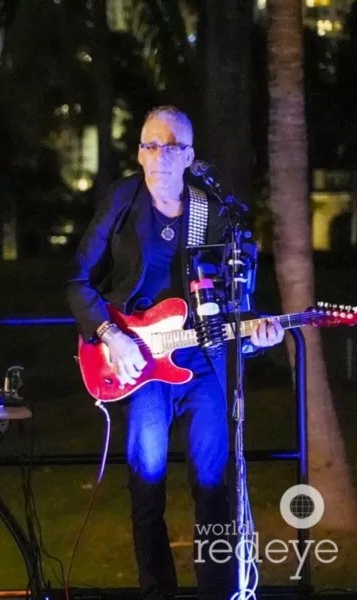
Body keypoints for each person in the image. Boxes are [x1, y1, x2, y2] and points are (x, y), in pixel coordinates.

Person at [65, 106, 284, 600]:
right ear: (139, 153)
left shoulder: (214, 211)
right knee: (146, 487)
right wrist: (110, 333)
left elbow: (234, 304)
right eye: (150, 144)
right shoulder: (122, 200)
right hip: (139, 360)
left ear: (189, 156)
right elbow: (77, 281)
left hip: (203, 363)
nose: (159, 155)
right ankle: (156, 591)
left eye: (170, 146)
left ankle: (218, 591)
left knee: (213, 486)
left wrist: (255, 336)